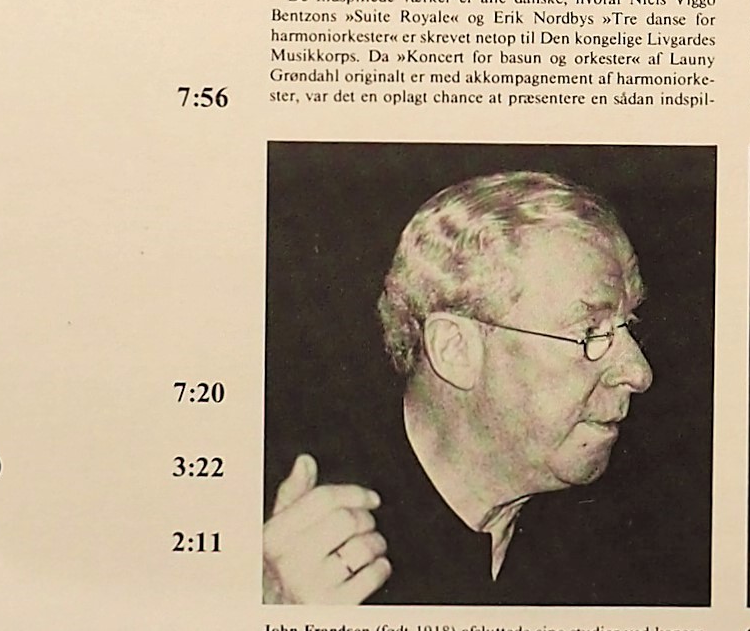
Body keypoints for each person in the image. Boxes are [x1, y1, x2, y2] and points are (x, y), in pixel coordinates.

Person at [264, 173, 658, 606]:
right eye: (589, 332)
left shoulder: (631, 541)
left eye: (628, 324)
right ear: (455, 349)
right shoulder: (285, 545)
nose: (639, 373)